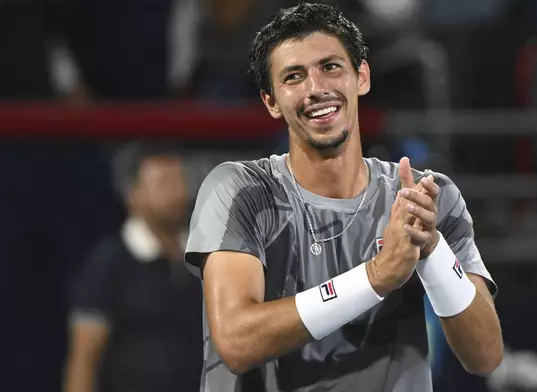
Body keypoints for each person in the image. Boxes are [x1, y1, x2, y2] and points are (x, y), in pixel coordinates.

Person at [184, 3, 503, 391]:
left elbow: (485, 355)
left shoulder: (427, 197)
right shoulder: (240, 189)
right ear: (271, 102)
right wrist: (376, 276)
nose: (316, 89)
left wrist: (433, 248)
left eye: (331, 67)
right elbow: (237, 341)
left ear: (362, 77)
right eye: (294, 76)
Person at [63, 142, 203, 392]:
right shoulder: (108, 265)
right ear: (133, 195)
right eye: (164, 184)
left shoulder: (205, 257)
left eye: (180, 181)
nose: (178, 193)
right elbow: (84, 359)